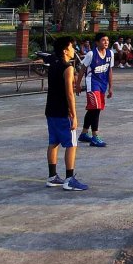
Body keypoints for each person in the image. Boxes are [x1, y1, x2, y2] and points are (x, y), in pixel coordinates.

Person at [44, 36, 88, 191]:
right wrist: (74, 115)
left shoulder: (53, 65)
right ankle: (69, 179)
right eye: (71, 47)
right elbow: (70, 93)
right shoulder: (67, 68)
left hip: (50, 110)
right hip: (63, 112)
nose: (73, 50)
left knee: (53, 142)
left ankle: (52, 176)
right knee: (71, 145)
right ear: (64, 50)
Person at [76, 32, 114, 147]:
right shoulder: (91, 54)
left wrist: (110, 87)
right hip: (92, 84)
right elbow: (82, 69)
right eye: (103, 40)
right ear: (97, 42)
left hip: (102, 84)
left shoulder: (110, 53)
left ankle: (83, 133)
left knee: (93, 109)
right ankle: (95, 136)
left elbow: (110, 70)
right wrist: (78, 84)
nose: (106, 42)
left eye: (107, 40)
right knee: (96, 109)